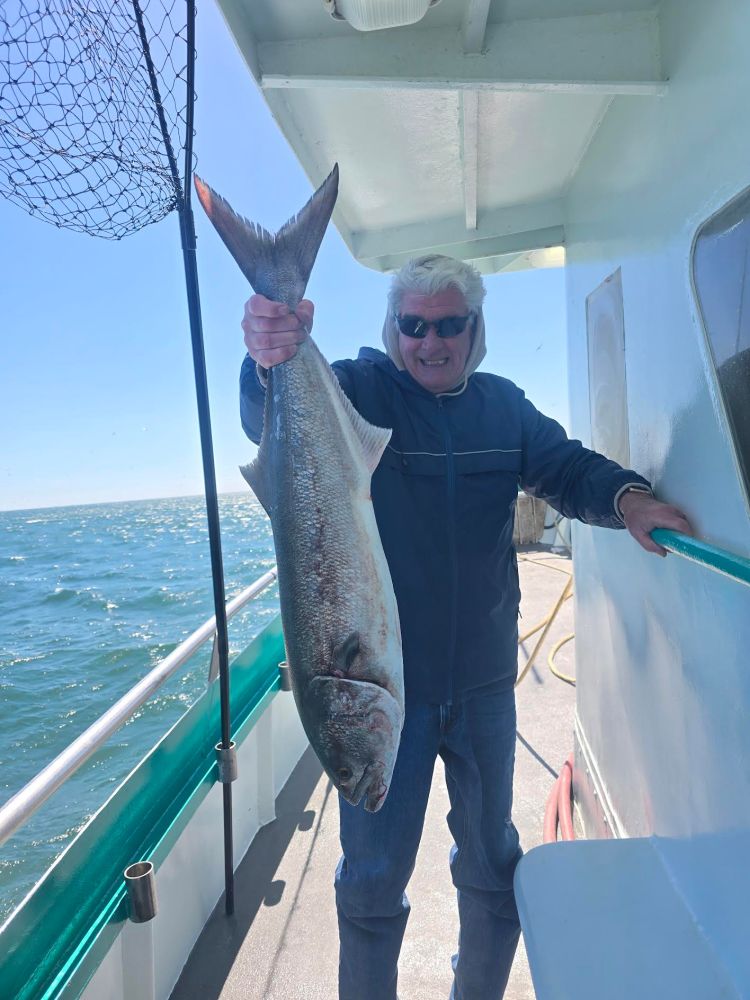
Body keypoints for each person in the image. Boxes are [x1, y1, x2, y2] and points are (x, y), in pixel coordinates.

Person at [239, 255, 693, 1000]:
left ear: (475, 329)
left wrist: (629, 498)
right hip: (389, 697)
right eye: (413, 325)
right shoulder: (360, 388)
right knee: (371, 882)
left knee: (491, 869)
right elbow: (268, 418)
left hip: (484, 686)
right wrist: (269, 356)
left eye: (449, 324)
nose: (430, 341)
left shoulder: (502, 408)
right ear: (395, 329)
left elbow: (568, 470)